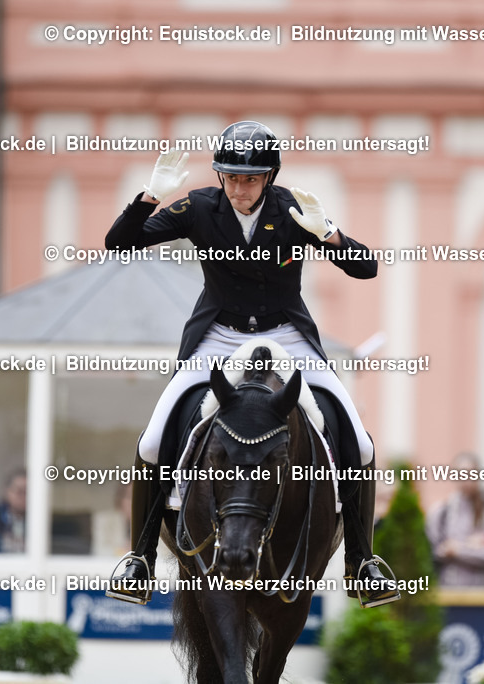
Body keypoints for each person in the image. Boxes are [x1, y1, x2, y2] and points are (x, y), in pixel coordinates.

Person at [104, 121, 398, 606]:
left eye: (251, 179)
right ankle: (140, 561)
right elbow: (120, 244)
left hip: (285, 334)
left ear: (270, 176)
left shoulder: (291, 209)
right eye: (232, 178)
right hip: (218, 336)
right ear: (221, 176)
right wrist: (149, 197)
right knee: (154, 438)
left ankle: (362, 563)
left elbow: (366, 267)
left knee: (361, 443)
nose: (240, 188)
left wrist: (327, 233)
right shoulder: (200, 206)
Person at [425, 452, 484, 586]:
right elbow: (435, 551)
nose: (466, 480)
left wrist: (457, 549)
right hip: (452, 590)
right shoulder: (442, 513)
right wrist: (473, 546)